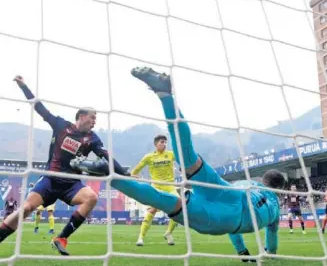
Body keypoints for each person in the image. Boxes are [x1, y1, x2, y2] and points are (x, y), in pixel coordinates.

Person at [73, 67, 285, 261]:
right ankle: (111, 176)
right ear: (279, 188)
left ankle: (165, 96)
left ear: (263, 179)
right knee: (165, 202)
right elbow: (269, 236)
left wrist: (241, 251)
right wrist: (265, 253)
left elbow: (235, 194)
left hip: (229, 191)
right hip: (229, 218)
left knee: (188, 160)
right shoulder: (274, 204)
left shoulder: (249, 182)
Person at [0, 75, 128, 259]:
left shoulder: (92, 138)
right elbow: (39, 108)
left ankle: (61, 238)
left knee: (92, 198)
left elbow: (106, 156)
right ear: (81, 116)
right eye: (93, 117)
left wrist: (124, 172)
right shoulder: (61, 125)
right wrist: (24, 87)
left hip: (72, 184)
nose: (95, 121)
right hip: (50, 179)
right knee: (25, 209)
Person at [131, 135, 179, 246]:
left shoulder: (171, 154)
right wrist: (133, 175)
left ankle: (168, 233)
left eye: (166, 142)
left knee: (180, 208)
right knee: (152, 210)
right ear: (156, 144)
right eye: (162, 142)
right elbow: (138, 168)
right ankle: (141, 238)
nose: (164, 144)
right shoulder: (149, 157)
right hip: (156, 187)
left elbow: (183, 162)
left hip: (170, 187)